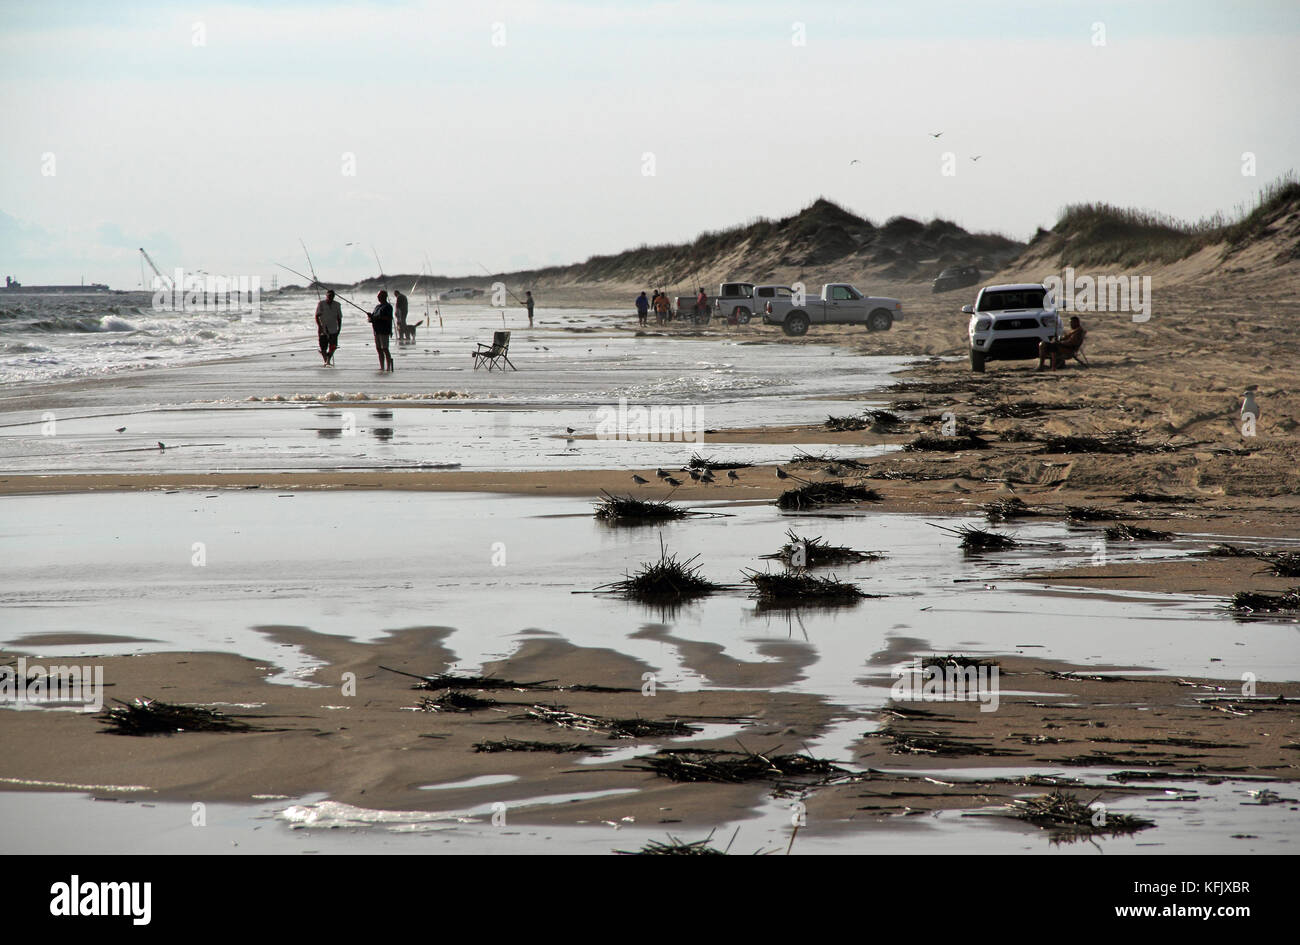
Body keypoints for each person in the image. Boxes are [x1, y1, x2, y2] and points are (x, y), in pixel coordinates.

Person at [369, 290, 395, 371]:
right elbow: (372, 318)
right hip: (376, 330)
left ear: (384, 296)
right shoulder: (377, 307)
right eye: (378, 296)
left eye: (379, 296)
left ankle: (388, 367)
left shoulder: (388, 306)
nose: (378, 297)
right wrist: (370, 317)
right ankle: (382, 367)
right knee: (379, 349)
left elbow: (389, 318)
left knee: (385, 348)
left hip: (384, 330)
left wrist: (377, 318)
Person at [315, 289, 342, 365]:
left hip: (333, 328)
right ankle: (326, 361)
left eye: (332, 296)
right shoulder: (321, 304)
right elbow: (317, 316)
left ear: (334, 296)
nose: (330, 297)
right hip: (323, 328)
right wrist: (320, 327)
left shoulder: (337, 304)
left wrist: (339, 328)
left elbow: (339, 318)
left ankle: (328, 359)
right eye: (329, 296)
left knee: (333, 346)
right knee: (323, 346)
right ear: (326, 296)